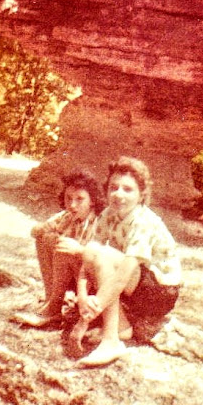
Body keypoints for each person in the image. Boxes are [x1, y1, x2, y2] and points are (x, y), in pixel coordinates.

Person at [68, 156, 182, 367]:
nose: (118, 194)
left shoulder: (144, 221)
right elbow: (89, 259)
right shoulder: (107, 215)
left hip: (159, 292)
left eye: (128, 189)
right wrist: (83, 296)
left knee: (105, 255)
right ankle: (122, 326)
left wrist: (86, 318)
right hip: (133, 283)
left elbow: (121, 277)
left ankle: (112, 341)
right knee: (93, 250)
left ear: (142, 195)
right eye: (114, 187)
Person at [13, 168, 104, 327]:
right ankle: (51, 300)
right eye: (69, 198)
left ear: (93, 200)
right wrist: (51, 230)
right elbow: (36, 231)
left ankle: (54, 307)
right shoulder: (68, 215)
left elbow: (100, 260)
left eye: (79, 199)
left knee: (65, 246)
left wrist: (72, 246)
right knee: (46, 238)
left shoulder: (100, 221)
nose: (73, 204)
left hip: (95, 284)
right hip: (76, 277)